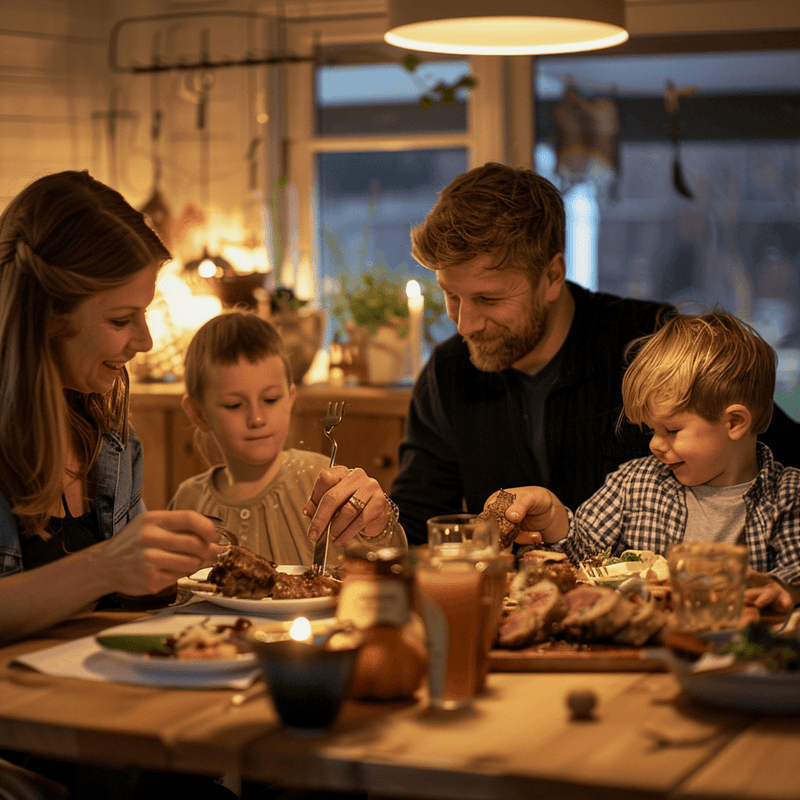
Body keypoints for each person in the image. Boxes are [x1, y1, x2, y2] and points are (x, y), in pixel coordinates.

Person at [389, 162, 800, 545]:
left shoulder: (655, 345)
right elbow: (415, 529)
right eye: (451, 295)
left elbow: (780, 457)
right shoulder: (447, 373)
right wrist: (375, 525)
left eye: (489, 300)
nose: (465, 325)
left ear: (551, 276)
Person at [0, 170, 225, 646]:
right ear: (48, 315)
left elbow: (128, 600)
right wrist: (105, 566)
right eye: (122, 319)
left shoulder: (111, 442)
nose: (144, 341)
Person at [497, 310, 800, 611]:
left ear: (734, 423)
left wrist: (781, 592)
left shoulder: (787, 496)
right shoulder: (634, 483)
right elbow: (582, 554)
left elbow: (793, 577)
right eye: (652, 430)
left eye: (671, 430)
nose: (655, 444)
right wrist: (552, 517)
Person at [168, 310, 406, 562]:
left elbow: (388, 560)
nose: (257, 418)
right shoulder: (188, 501)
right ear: (197, 413)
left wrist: (377, 525)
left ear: (291, 398)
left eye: (271, 399)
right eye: (234, 405)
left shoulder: (322, 481)